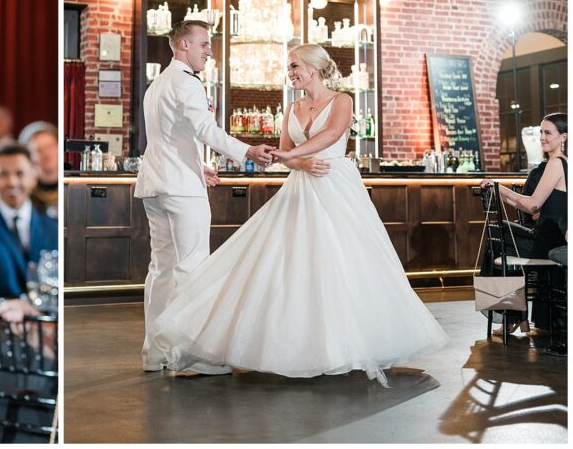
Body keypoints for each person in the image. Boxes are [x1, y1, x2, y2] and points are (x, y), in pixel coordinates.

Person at [153, 44, 448, 385]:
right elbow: (289, 154)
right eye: (288, 67)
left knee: (342, 260)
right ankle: (295, 344)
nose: (290, 72)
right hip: (301, 187)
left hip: (335, 185)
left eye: (294, 66)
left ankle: (347, 343)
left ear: (313, 67)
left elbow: (332, 135)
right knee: (288, 261)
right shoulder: (291, 108)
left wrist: (287, 157)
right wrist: (292, 160)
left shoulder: (342, 101)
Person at [136, 20, 274, 374]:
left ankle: (155, 352)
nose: (208, 51)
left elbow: (168, 140)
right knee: (191, 268)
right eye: (203, 45)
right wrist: (247, 151)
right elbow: (205, 130)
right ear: (182, 45)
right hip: (181, 190)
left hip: (156, 185)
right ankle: (191, 357)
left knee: (161, 270)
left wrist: (200, 169)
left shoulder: (158, 85)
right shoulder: (186, 82)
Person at [480, 113, 567, 333]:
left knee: (495, 237)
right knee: (500, 237)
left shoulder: (556, 163)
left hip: (547, 243)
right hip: (554, 237)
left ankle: (511, 316)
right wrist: (503, 192)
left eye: (548, 133)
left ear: (563, 137)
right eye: (541, 132)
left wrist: (501, 188)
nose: (542, 138)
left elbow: (532, 206)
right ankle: (515, 315)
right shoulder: (564, 164)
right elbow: (528, 204)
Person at [0, 145, 58, 300]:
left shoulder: (53, 227)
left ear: (34, 177)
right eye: (3, 174)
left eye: (20, 174)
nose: (12, 182)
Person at [20, 122, 60, 218]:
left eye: (49, 146)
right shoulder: (25, 191)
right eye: (38, 150)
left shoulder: (70, 184)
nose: (47, 154)